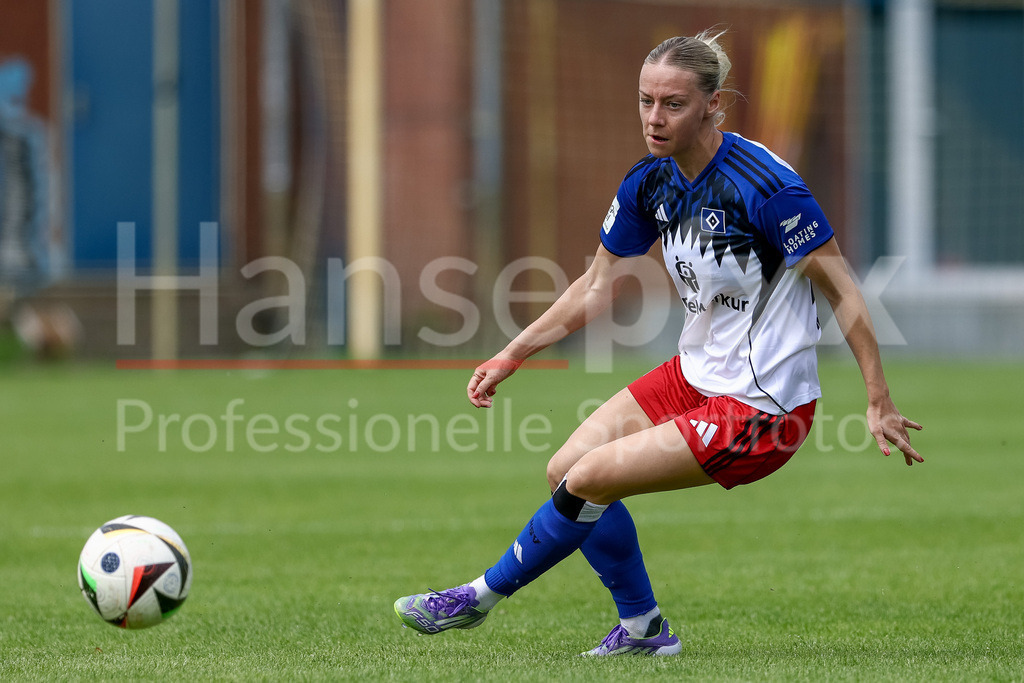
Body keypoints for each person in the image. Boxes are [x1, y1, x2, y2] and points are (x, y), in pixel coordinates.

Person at [393, 29, 923, 656]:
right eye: (645, 100)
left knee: (587, 478)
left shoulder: (767, 186)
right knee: (565, 470)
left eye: (673, 103)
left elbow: (844, 292)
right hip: (692, 375)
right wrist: (514, 352)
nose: (654, 117)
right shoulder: (651, 182)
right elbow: (596, 286)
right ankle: (644, 631)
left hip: (762, 409)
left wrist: (878, 397)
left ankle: (475, 598)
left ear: (713, 104)